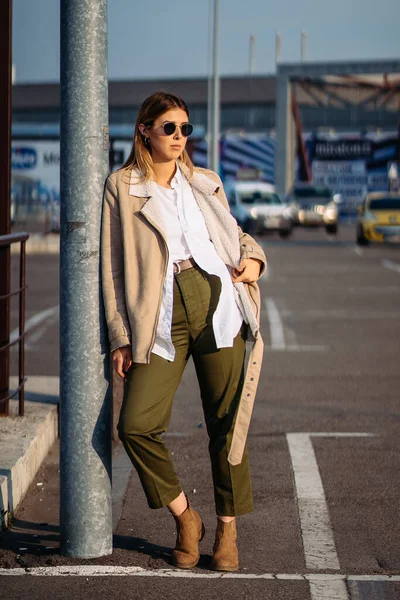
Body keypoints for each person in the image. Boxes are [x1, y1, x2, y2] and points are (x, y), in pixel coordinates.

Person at [101, 91, 266, 572]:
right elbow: (112, 271)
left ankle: (227, 531)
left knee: (227, 425)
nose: (178, 137)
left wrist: (255, 260)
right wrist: (120, 335)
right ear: (144, 131)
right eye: (169, 127)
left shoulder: (206, 183)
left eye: (185, 129)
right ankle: (185, 517)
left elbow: (237, 236)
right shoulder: (122, 187)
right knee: (135, 425)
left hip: (217, 300)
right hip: (160, 311)